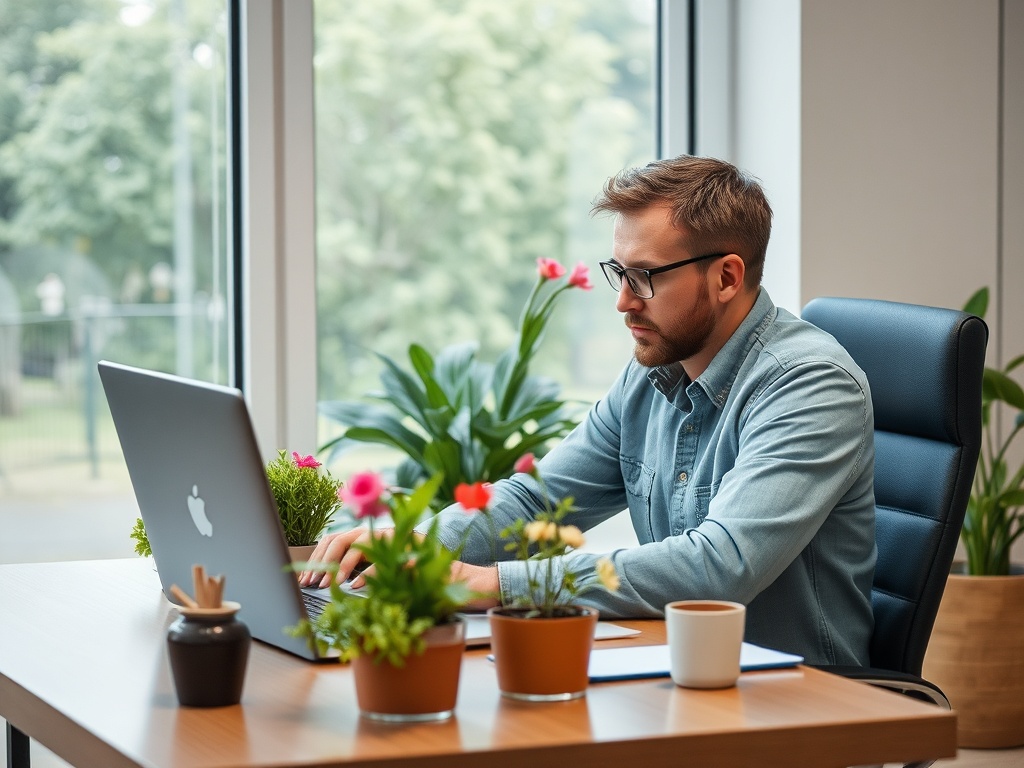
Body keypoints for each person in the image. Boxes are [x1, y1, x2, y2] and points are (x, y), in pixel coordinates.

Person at [303, 155, 876, 666]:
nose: (624, 301)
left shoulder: (811, 385)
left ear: (726, 277)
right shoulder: (653, 370)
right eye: (619, 273)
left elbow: (719, 567)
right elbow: (538, 499)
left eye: (645, 277)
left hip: (797, 701)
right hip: (674, 669)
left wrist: (491, 582)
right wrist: (417, 550)